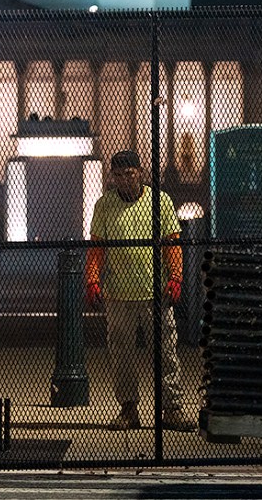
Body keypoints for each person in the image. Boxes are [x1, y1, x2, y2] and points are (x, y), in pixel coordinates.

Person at [84, 150, 195, 432]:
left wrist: (176, 278)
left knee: (166, 351)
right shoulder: (104, 205)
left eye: (129, 175)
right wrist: (92, 280)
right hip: (118, 292)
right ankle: (129, 408)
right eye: (118, 176)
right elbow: (97, 249)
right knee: (122, 353)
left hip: (155, 292)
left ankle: (171, 408)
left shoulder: (160, 202)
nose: (124, 181)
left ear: (141, 173)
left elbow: (172, 243)